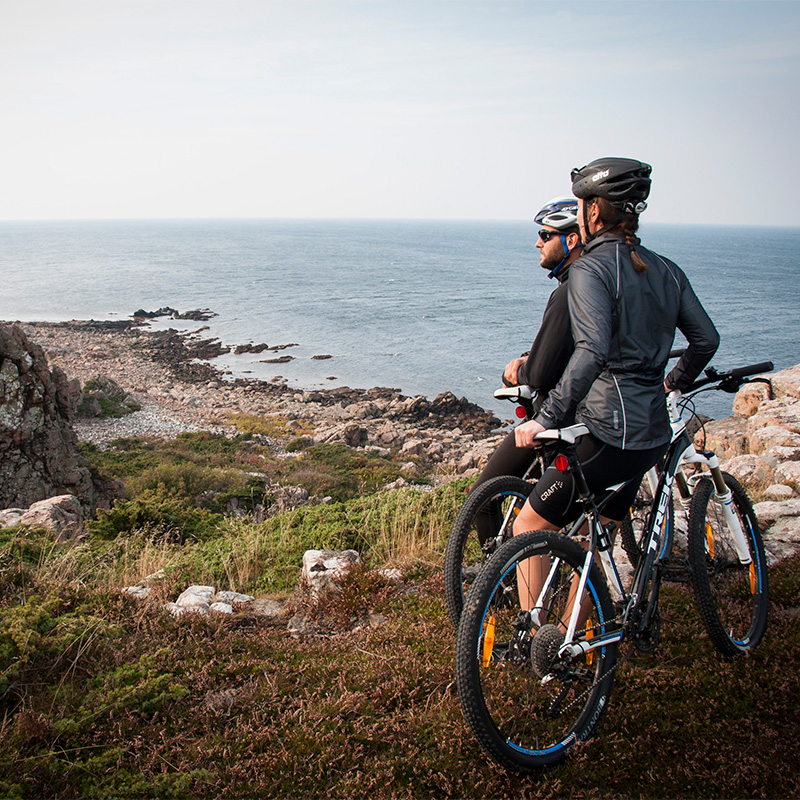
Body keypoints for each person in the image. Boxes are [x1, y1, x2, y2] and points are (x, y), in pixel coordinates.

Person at [512, 158, 720, 556]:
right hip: (654, 436)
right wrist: (674, 381)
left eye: (579, 208)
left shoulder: (590, 269)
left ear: (592, 211)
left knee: (528, 525)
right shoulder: (668, 270)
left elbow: (591, 351)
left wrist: (545, 418)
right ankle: (604, 618)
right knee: (598, 543)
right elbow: (706, 340)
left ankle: (532, 621)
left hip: (608, 434)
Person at [470, 196, 583, 505]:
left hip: (558, 419)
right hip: (595, 419)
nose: (538, 243)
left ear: (571, 239)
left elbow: (541, 373)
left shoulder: (567, 293)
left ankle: (494, 557)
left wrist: (517, 370)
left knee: (481, 500)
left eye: (545, 235)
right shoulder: (597, 286)